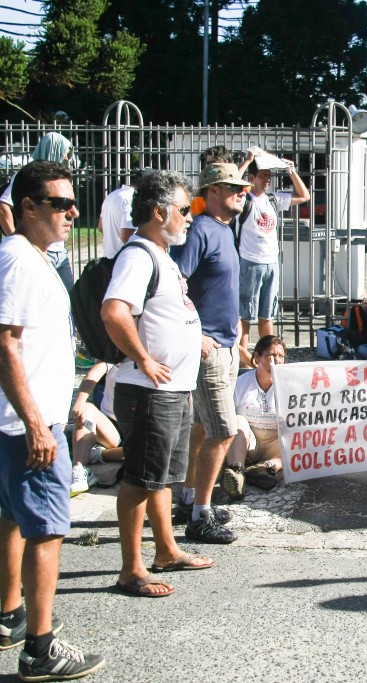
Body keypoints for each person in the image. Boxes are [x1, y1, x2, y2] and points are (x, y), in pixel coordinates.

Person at [0, 160, 104, 678]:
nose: (72, 212)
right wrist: (38, 423)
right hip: (29, 424)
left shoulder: (30, 257)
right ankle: (40, 649)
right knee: (47, 530)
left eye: (72, 202)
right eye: (61, 204)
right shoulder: (19, 259)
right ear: (29, 208)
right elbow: (6, 343)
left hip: (19, 421)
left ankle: (11, 613)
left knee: (13, 518)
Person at [102, 169, 214, 596]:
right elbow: (114, 312)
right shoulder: (139, 256)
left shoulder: (161, 253)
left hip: (172, 390)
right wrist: (145, 359)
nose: (190, 217)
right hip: (149, 392)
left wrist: (193, 337)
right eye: (185, 210)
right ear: (158, 212)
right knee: (139, 478)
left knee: (163, 477)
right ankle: (131, 569)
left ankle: (165, 550)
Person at [173, 162, 250, 545]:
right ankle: (200, 516)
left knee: (203, 427)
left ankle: (190, 499)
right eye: (234, 186)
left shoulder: (224, 227)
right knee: (223, 430)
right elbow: (175, 283)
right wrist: (197, 332)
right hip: (210, 348)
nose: (243, 191)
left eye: (243, 185)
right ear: (213, 190)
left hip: (227, 343)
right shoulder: (201, 230)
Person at [235, 151, 310, 366]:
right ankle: (244, 360)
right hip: (250, 261)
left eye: (268, 175)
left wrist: (291, 171)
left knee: (267, 313)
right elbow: (233, 188)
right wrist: (248, 161)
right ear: (252, 178)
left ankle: (269, 357)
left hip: (271, 261)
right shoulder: (245, 199)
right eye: (262, 175)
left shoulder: (273, 199)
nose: (267, 179)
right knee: (245, 314)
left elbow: (304, 196)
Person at [0, 133, 76, 293]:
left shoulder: (60, 180)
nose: (74, 213)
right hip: (35, 251)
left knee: (68, 302)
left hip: (57, 253)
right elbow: (3, 206)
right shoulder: (28, 177)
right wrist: (15, 237)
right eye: (62, 203)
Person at [220, 336, 287, 499]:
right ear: (257, 357)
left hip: (276, 444)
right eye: (271, 355)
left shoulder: (289, 385)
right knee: (237, 421)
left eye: (281, 356)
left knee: (303, 438)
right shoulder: (241, 383)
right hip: (249, 443)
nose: (276, 361)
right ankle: (237, 472)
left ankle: (264, 468)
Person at [68, 362, 124, 497]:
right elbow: (93, 374)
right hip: (111, 426)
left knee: (144, 455)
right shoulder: (115, 354)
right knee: (86, 409)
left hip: (141, 428)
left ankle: (99, 454)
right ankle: (79, 469)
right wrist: (79, 402)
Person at [98, 174, 137, 259]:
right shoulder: (132, 199)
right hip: (124, 258)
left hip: (108, 256)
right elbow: (126, 236)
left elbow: (101, 227)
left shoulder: (112, 195)